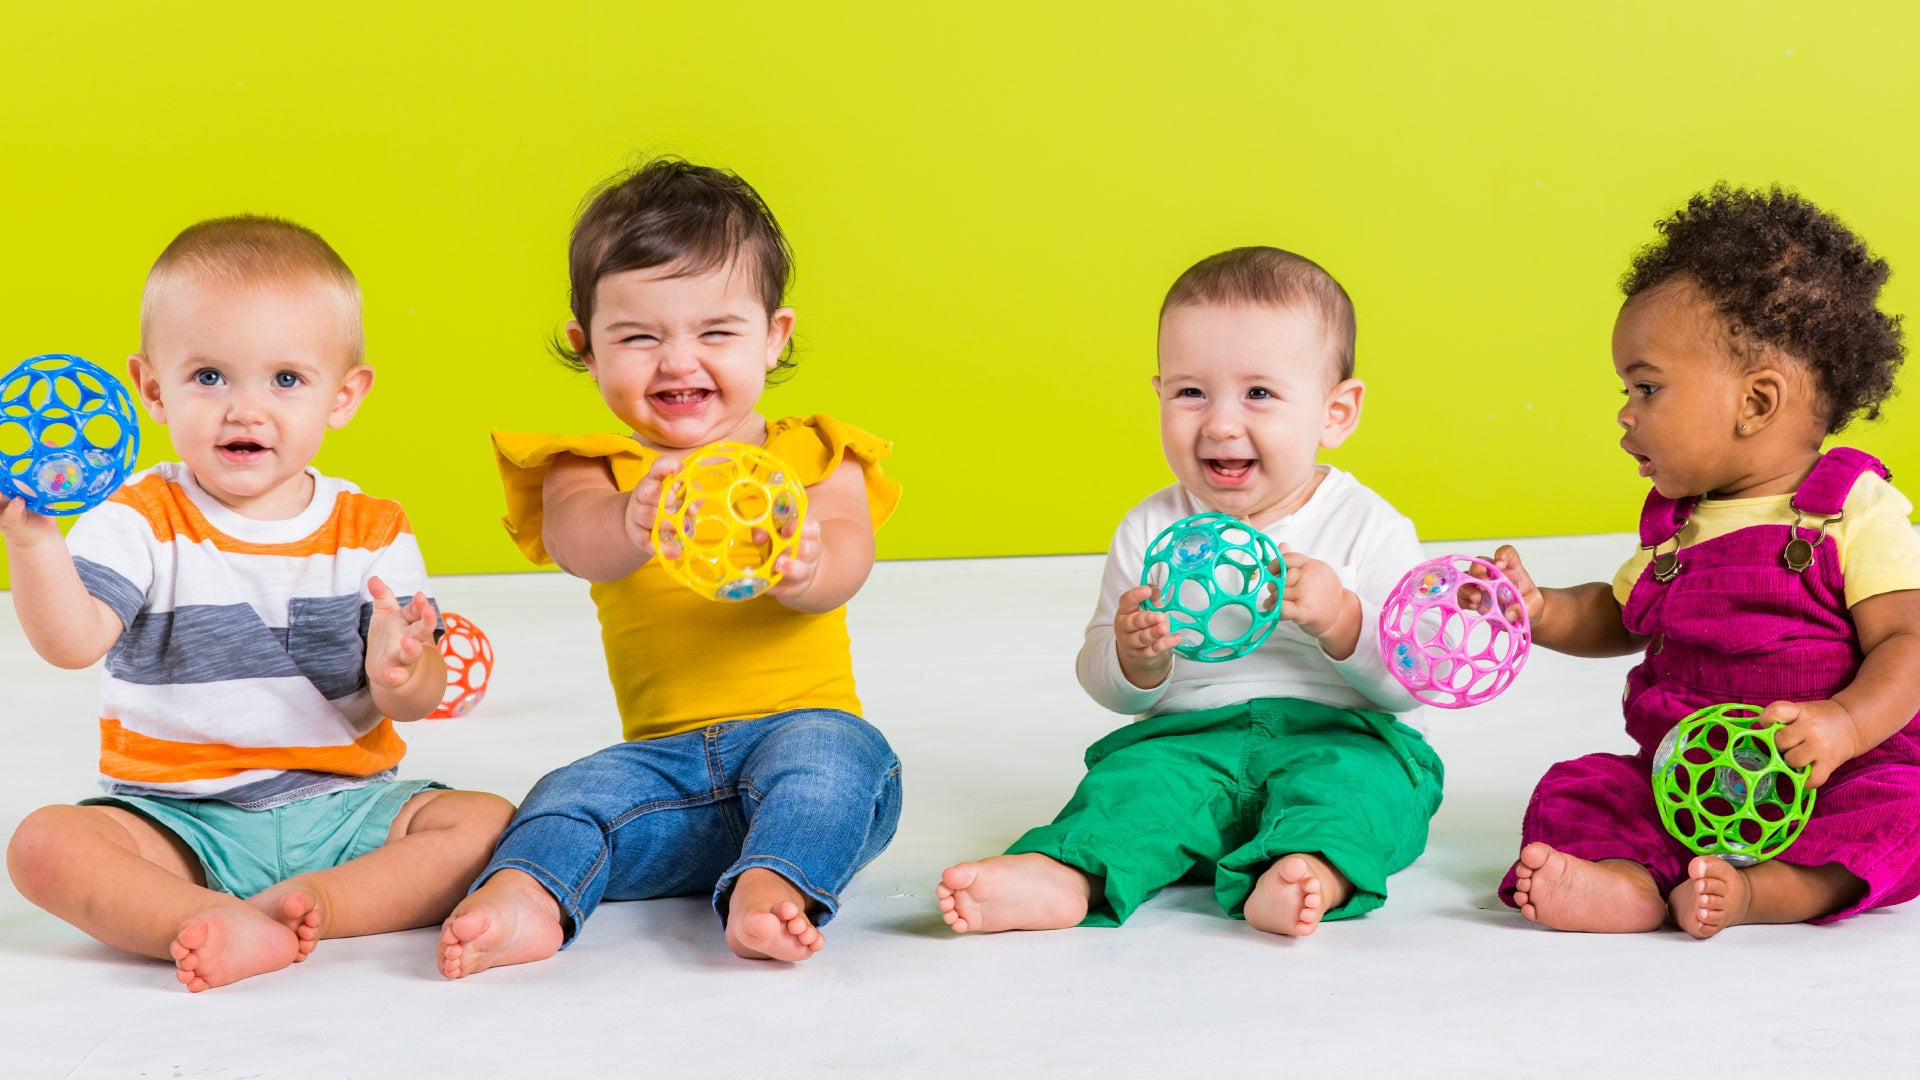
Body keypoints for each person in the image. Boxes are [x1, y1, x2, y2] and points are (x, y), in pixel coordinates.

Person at [1, 216, 514, 992]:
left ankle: (319, 905)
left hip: (345, 809)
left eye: (285, 379)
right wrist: (37, 546)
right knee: (43, 844)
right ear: (150, 389)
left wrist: (405, 669)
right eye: (209, 376)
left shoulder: (373, 530)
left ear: (344, 396)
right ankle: (199, 916)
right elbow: (73, 643)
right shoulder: (137, 517)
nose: (246, 409)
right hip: (178, 824)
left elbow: (412, 701)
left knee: (487, 823)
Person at [438, 158, 902, 975]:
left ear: (775, 335)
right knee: (566, 793)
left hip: (799, 732)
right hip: (662, 775)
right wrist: (632, 520)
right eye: (640, 336)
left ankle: (770, 883)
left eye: (716, 332)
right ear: (587, 348)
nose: (678, 361)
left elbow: (851, 555)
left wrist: (809, 567)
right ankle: (529, 896)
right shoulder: (594, 469)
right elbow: (583, 544)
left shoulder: (815, 457)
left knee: (844, 764)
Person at [937, 246, 1442, 937]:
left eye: (1259, 393)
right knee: (1132, 792)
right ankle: (1068, 874)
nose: (1220, 423)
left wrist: (1344, 620)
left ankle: (1307, 869)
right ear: (1159, 395)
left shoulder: (1369, 525)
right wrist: (1136, 661)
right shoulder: (1151, 527)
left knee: (1364, 791)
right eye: (1190, 392)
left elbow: (1412, 685)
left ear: (1336, 413)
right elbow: (1103, 680)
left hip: (1341, 735)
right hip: (1188, 742)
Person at [1496, 184, 1920, 937]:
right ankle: (1628, 885)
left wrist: (1845, 726)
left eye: (1648, 387)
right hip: (1688, 784)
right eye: (1626, 389)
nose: (1626, 413)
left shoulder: (1849, 508)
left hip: (1831, 776)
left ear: (1755, 403)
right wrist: (1538, 610)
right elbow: (1614, 616)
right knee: (1580, 788)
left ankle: (1772, 892)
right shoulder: (1673, 532)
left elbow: (1907, 643)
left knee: (1903, 811)